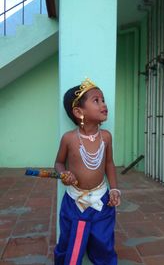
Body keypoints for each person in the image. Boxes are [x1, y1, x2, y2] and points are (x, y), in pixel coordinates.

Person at [54, 78, 121, 265]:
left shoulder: (106, 137)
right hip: (75, 202)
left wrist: (114, 189)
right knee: (70, 244)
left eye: (103, 100)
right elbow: (59, 163)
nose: (104, 104)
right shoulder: (69, 139)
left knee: (104, 242)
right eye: (96, 100)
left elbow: (109, 163)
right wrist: (63, 174)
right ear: (78, 112)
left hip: (102, 200)